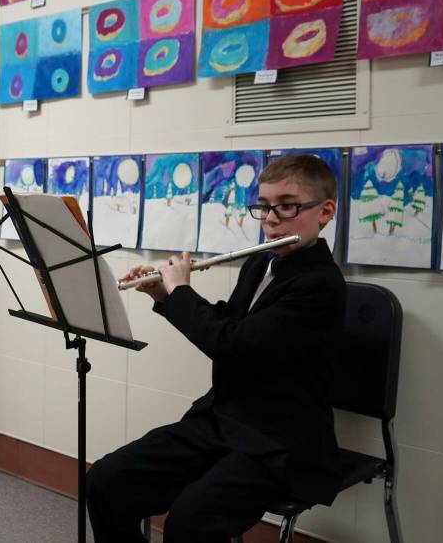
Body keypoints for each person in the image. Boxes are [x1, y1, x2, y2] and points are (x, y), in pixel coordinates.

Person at [87, 154, 346, 543]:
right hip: (223, 419)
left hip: (279, 440)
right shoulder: (260, 265)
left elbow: (234, 346)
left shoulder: (320, 285)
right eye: (263, 206)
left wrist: (182, 292)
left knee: (191, 523)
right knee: (106, 481)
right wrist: (164, 292)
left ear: (325, 212)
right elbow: (233, 323)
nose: (271, 219)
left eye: (287, 206)